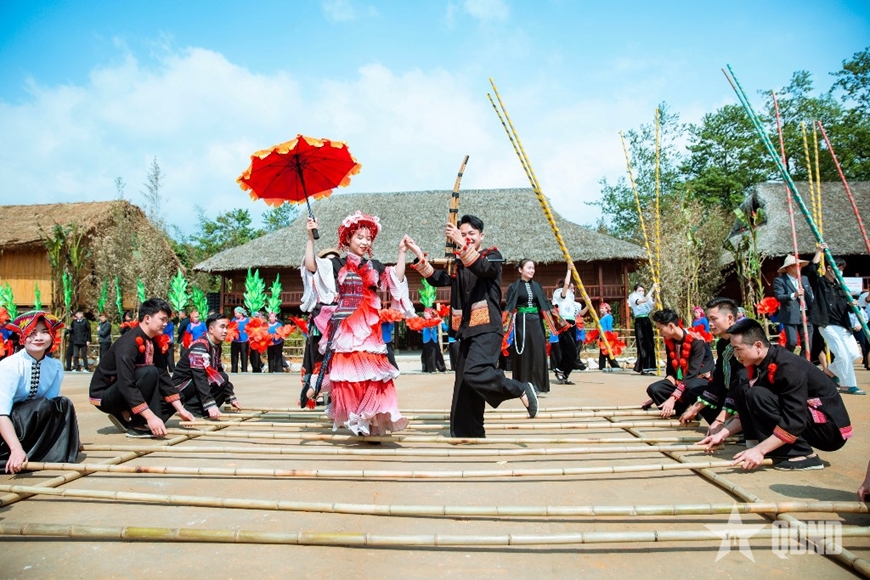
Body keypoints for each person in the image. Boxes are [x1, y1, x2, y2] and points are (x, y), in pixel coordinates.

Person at [406, 214, 538, 438]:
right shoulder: (459, 264)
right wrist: (419, 255)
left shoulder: (492, 257)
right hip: (466, 331)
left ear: (481, 236)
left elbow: (483, 269)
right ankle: (468, 432)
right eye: (463, 234)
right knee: (464, 384)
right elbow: (438, 279)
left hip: (488, 328)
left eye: (471, 234)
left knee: (475, 372)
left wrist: (460, 242)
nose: (467, 237)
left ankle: (519, 388)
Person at [301, 212, 415, 436]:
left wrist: (402, 252)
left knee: (373, 375)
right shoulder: (337, 263)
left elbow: (396, 278)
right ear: (348, 239)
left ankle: (370, 418)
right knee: (348, 374)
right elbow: (312, 266)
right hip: (346, 324)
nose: (365, 242)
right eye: (359, 237)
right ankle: (355, 417)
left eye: (368, 238)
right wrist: (310, 238)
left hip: (369, 326)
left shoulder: (375, 265)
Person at [701, 318, 853, 471]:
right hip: (804, 419)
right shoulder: (763, 362)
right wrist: (722, 434)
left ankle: (802, 454)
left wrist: (760, 451)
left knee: (756, 394)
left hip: (828, 430)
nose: (735, 355)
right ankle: (756, 445)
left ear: (758, 346)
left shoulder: (788, 367)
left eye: (738, 349)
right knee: (743, 390)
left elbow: (795, 419)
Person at [89, 298, 195, 438]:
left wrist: (181, 410)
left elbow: (163, 375)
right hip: (107, 395)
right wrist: (150, 416)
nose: (165, 324)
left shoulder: (153, 341)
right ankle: (138, 425)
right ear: (147, 318)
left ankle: (128, 415)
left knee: (176, 396)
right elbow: (126, 383)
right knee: (149, 372)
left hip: (128, 388)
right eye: (162, 319)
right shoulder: (128, 343)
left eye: (167, 320)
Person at [0, 311, 80, 473]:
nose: (38, 338)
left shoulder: (55, 366)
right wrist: (15, 448)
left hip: (27, 424)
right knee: (41, 406)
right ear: (22, 336)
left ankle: (48, 452)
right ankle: (16, 452)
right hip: (5, 427)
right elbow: (1, 413)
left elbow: (50, 409)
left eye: (44, 332)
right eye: (32, 333)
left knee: (61, 404)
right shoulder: (10, 366)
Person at [803, 246, 864, 395]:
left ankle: (829, 373)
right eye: (839, 268)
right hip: (827, 324)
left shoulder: (842, 287)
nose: (841, 272)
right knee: (843, 355)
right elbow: (812, 269)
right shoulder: (820, 283)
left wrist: (853, 304)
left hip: (843, 325)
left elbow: (848, 309)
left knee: (854, 354)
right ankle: (847, 385)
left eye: (842, 269)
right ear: (830, 268)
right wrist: (819, 252)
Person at [679, 298, 746, 430]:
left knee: (743, 388)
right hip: (728, 392)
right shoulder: (722, 344)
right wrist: (694, 409)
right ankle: (721, 427)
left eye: (714, 319)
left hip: (743, 393)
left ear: (730, 318)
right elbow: (719, 378)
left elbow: (742, 379)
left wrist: (721, 418)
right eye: (709, 319)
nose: (710, 324)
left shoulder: (744, 341)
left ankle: (732, 426)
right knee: (695, 391)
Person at [641, 309, 716, 423]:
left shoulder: (696, 341)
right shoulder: (670, 341)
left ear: (671, 326)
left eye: (661, 329)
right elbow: (671, 372)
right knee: (654, 389)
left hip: (699, 381)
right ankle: (677, 410)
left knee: (691, 387)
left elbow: (692, 374)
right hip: (682, 382)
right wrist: (654, 398)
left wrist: (672, 397)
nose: (660, 333)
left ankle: (696, 410)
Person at [173, 312, 242, 418]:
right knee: (208, 378)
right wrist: (209, 403)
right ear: (211, 329)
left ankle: (203, 410)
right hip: (183, 386)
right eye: (222, 327)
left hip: (198, 381)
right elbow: (199, 377)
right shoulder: (200, 346)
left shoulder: (216, 346)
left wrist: (230, 394)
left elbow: (219, 372)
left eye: (226, 327)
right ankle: (192, 409)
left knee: (222, 377)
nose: (225, 331)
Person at [505, 259, 559, 392]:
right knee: (524, 351)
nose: (532, 270)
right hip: (522, 321)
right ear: (520, 270)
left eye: (533, 268)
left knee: (538, 350)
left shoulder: (537, 286)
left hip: (536, 321)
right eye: (529, 268)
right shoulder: (514, 286)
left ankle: (538, 385)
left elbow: (545, 303)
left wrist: (557, 319)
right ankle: (523, 385)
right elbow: (509, 305)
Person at [772, 254, 814, 358]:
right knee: (792, 342)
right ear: (789, 267)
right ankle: (785, 358)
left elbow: (809, 295)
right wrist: (793, 295)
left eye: (799, 265)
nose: (799, 268)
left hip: (805, 313)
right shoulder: (780, 281)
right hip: (790, 314)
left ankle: (802, 362)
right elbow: (779, 296)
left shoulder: (804, 279)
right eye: (796, 265)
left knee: (807, 342)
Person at [552, 267, 588, 384]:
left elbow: (581, 313)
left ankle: (565, 374)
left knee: (573, 354)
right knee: (571, 351)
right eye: (570, 287)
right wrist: (569, 270)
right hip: (564, 325)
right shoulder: (560, 296)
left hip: (573, 326)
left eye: (572, 288)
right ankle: (559, 369)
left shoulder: (573, 303)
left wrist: (588, 305)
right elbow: (566, 284)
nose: (572, 289)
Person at [627, 283, 659, 375]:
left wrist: (656, 294)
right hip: (640, 321)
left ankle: (648, 366)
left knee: (649, 343)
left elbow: (653, 305)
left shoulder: (646, 297)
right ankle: (644, 367)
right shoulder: (634, 297)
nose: (641, 292)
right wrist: (652, 288)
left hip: (646, 320)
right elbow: (644, 300)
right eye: (639, 290)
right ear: (635, 291)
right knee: (642, 343)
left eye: (642, 290)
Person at [597, 302, 621, 371]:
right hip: (602, 336)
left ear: (606, 309)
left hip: (606, 336)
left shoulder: (609, 317)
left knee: (607, 351)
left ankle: (613, 365)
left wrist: (609, 336)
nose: (601, 310)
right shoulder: (603, 317)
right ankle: (603, 366)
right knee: (603, 352)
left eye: (602, 308)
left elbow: (609, 327)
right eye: (600, 308)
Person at [230, 306, 250, 373]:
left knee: (244, 356)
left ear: (241, 313)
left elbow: (250, 329)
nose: (235, 314)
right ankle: (234, 370)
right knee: (234, 356)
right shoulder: (233, 320)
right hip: (235, 341)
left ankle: (244, 370)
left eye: (236, 313)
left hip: (244, 340)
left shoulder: (247, 320)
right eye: (234, 313)